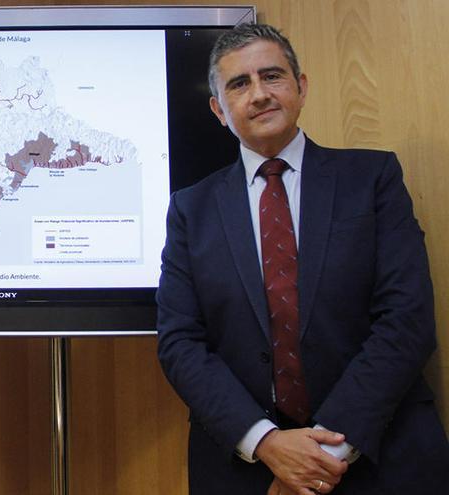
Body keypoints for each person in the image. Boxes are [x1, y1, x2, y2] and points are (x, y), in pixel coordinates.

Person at [156, 23, 449, 494]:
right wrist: (268, 444)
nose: (259, 95)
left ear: (301, 86)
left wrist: (319, 458)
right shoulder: (191, 209)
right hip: (248, 469)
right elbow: (180, 343)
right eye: (239, 84)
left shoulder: (372, 179)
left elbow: (407, 320)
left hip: (381, 457)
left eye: (272, 76)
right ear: (218, 109)